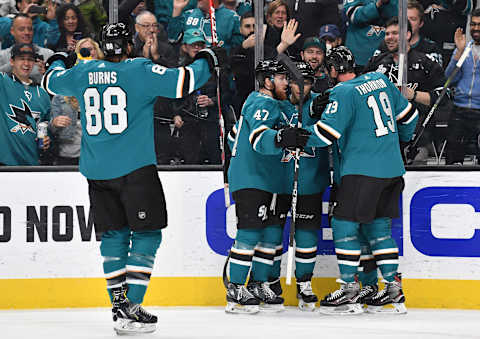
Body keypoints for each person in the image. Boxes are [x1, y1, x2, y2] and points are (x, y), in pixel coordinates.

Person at [41, 22, 223, 333]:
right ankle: (131, 306)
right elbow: (185, 81)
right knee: (148, 233)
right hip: (135, 169)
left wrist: (60, 58)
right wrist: (208, 57)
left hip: (97, 172)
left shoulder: (84, 73)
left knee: (113, 237)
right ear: (128, 46)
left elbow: (50, 81)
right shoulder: (139, 69)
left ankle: (119, 304)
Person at [303, 46, 418, 314]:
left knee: (343, 225)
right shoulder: (381, 80)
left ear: (332, 70)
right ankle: (392, 287)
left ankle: (349, 288)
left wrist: (296, 135)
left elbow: (325, 134)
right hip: (392, 169)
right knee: (379, 230)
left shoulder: (343, 92)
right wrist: (400, 141)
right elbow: (410, 117)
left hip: (361, 172)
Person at [225, 59, 309, 314]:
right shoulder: (260, 102)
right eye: (282, 78)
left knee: (271, 236)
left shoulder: (277, 105)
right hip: (253, 179)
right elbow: (259, 138)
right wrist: (283, 137)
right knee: (250, 234)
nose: (288, 83)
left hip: (271, 180)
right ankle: (236, 288)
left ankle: (259, 283)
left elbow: (233, 138)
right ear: (268, 81)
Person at [259, 60, 330, 311]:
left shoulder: (322, 103)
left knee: (306, 233)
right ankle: (271, 281)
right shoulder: (273, 103)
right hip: (277, 181)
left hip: (310, 181)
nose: (302, 86)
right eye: (297, 81)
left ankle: (304, 283)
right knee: (272, 232)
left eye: (307, 81)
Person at [364, 17, 448, 164]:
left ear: (408, 35)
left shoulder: (426, 63)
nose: (389, 37)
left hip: (416, 139)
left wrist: (413, 95)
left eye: (395, 33)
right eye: (387, 33)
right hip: (379, 136)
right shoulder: (376, 62)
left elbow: (444, 96)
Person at [48, 38, 104, 166]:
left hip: (99, 153)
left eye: (90, 49)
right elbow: (51, 130)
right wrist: (55, 123)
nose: (86, 53)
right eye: (82, 50)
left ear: (97, 53)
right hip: (69, 155)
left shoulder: (110, 84)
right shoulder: (63, 89)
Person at [172, 28, 222, 164]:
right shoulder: (179, 70)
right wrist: (175, 114)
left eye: (200, 45)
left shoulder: (216, 69)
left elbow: (229, 95)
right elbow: (173, 95)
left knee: (215, 159)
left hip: (211, 122)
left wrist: (212, 101)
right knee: (190, 160)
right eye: (193, 45)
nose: (197, 48)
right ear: (184, 47)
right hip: (188, 122)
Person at [0, 43, 51, 166]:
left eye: (30, 60)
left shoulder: (43, 94)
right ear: (12, 61)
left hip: (32, 164)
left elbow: (45, 126)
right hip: (5, 163)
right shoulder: (3, 82)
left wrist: (47, 141)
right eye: (21, 59)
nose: (26, 64)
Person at [444, 9, 480, 165]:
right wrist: (458, 52)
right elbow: (449, 79)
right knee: (452, 160)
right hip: (460, 109)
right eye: (473, 24)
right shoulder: (464, 48)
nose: (476, 28)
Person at [373, 1, 443, 66]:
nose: (407, 22)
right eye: (404, 18)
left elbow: (437, 77)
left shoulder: (431, 48)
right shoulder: (386, 45)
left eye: (413, 19)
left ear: (421, 23)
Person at [168, 0, 243, 53]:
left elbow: (237, 49)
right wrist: (176, 10)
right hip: (192, 66)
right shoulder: (188, 14)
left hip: (219, 68)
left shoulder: (232, 18)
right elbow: (172, 39)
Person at [343, 0, 398, 72]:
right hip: (358, 58)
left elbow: (402, 18)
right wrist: (379, 3)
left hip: (388, 57)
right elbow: (354, 15)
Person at [0, 13, 54, 84]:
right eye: (21, 29)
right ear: (12, 31)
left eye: (30, 29)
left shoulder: (48, 54)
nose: (27, 32)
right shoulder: (2, 56)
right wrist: (11, 65)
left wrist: (46, 73)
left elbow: (55, 85)